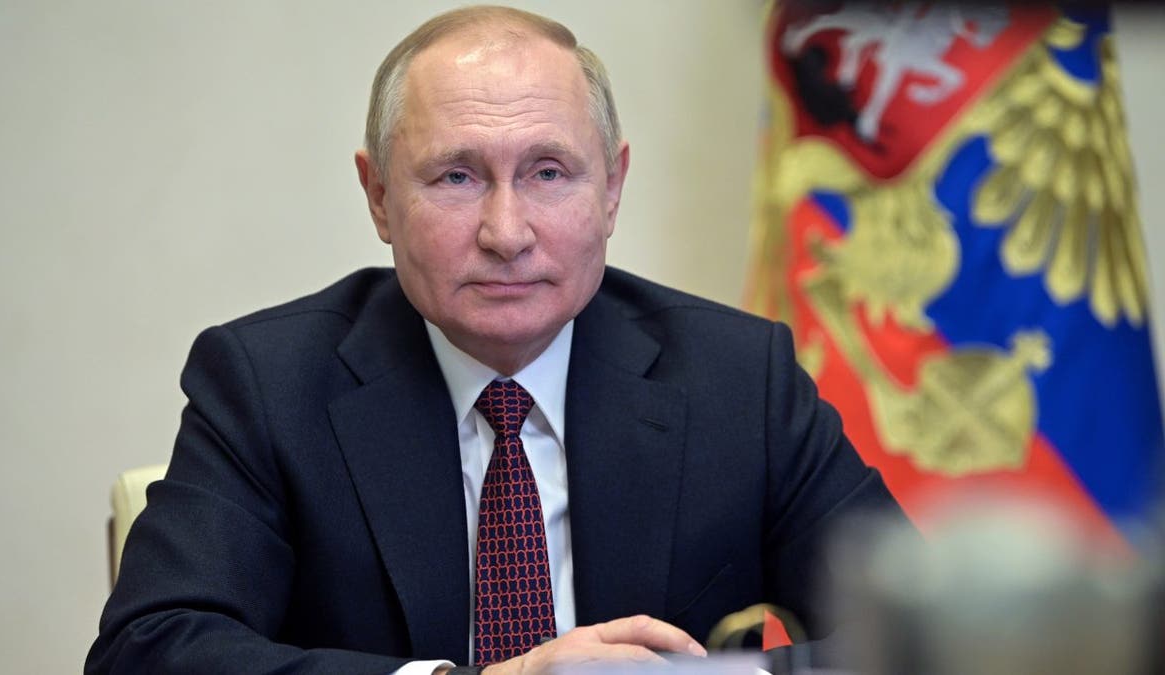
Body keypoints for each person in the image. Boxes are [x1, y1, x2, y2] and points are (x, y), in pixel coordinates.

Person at [86, 5, 905, 674]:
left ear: (612, 188)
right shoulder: (268, 383)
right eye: (456, 176)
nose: (506, 231)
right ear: (377, 196)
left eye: (549, 172)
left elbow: (918, 636)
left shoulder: (738, 378)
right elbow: (149, 649)